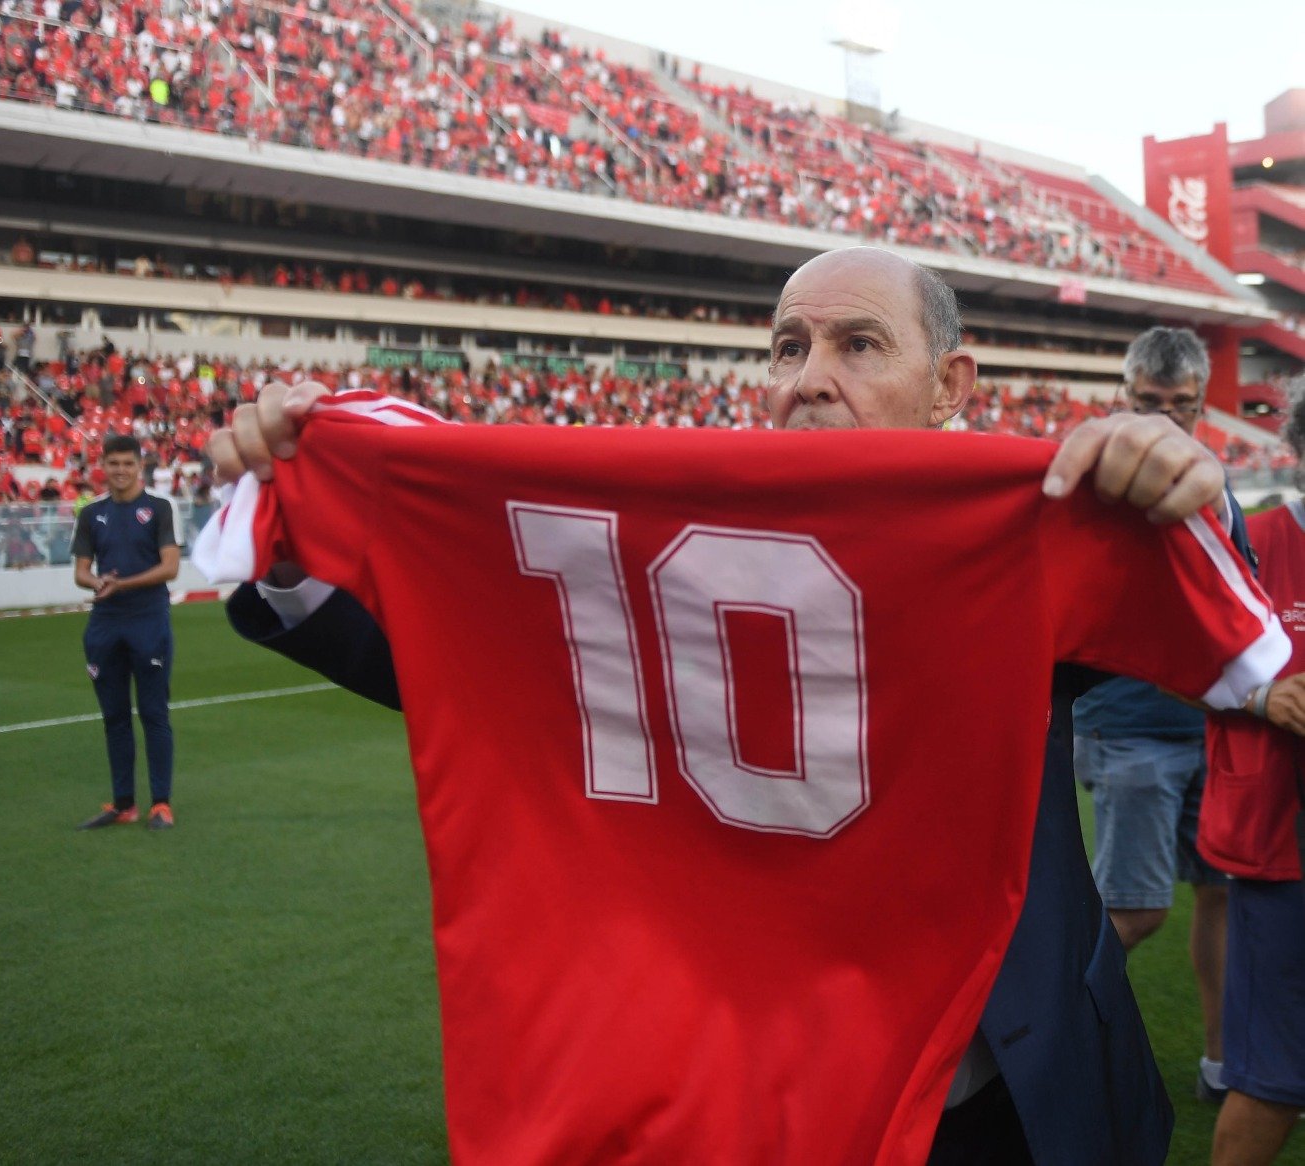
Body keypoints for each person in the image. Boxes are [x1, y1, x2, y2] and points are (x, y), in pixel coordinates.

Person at [207, 247, 1242, 1164]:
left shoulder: (1022, 535)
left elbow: (1212, 625)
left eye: (858, 345)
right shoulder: (655, 554)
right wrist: (296, 512)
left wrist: (1174, 486)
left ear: (949, 385)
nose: (809, 379)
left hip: (1010, 1089)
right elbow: (450, 650)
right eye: (787, 346)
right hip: (764, 1099)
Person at [1072, 327, 1243, 1104]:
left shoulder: (1223, 489)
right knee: (1134, 911)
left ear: (1203, 405)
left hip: (1211, 730)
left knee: (1224, 894)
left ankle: (1222, 1062)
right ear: (1124, 398)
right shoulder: (1096, 490)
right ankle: (1048, 1050)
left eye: (1181, 406)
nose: (1167, 420)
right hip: (1130, 725)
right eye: (1150, 404)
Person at [1201, 375, 1305, 1166]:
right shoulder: (1257, 542)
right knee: (1271, 1084)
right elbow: (1178, 658)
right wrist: (1263, 694)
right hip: (1283, 845)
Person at [71, 434, 180, 831]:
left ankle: (161, 804)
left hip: (148, 620)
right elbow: (81, 571)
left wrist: (124, 584)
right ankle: (123, 804)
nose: (120, 471)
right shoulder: (91, 515)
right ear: (103, 466)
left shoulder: (158, 509)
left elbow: (170, 568)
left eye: (128, 464)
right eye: (113, 464)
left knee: (153, 713)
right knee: (114, 716)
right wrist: (96, 581)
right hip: (104, 624)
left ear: (140, 466)